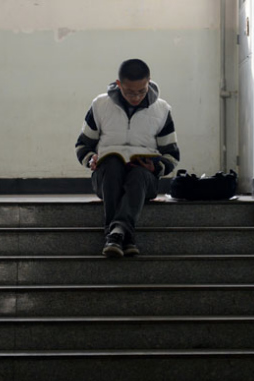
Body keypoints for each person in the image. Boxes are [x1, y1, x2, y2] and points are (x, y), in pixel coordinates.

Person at [75, 59, 180, 257]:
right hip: (107, 178)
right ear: (119, 84)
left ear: (149, 82)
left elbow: (172, 156)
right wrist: (91, 159)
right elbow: (82, 145)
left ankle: (115, 235)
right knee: (113, 164)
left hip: (144, 179)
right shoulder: (100, 105)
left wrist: (156, 167)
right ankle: (126, 237)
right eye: (130, 92)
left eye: (142, 91)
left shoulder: (162, 110)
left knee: (138, 173)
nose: (136, 97)